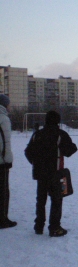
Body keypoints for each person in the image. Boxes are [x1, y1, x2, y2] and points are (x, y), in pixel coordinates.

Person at [25, 111, 78, 237]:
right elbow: (70, 150)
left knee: (41, 200)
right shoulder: (60, 134)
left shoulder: (37, 134)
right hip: (55, 172)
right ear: (58, 121)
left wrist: (35, 163)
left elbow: (28, 151)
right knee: (56, 199)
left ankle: (38, 226)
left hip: (40, 173)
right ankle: (54, 227)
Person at [0, 94, 17, 229]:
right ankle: (2, 219)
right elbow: (6, 142)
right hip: (1, 162)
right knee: (3, 190)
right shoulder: (4, 119)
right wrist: (8, 160)